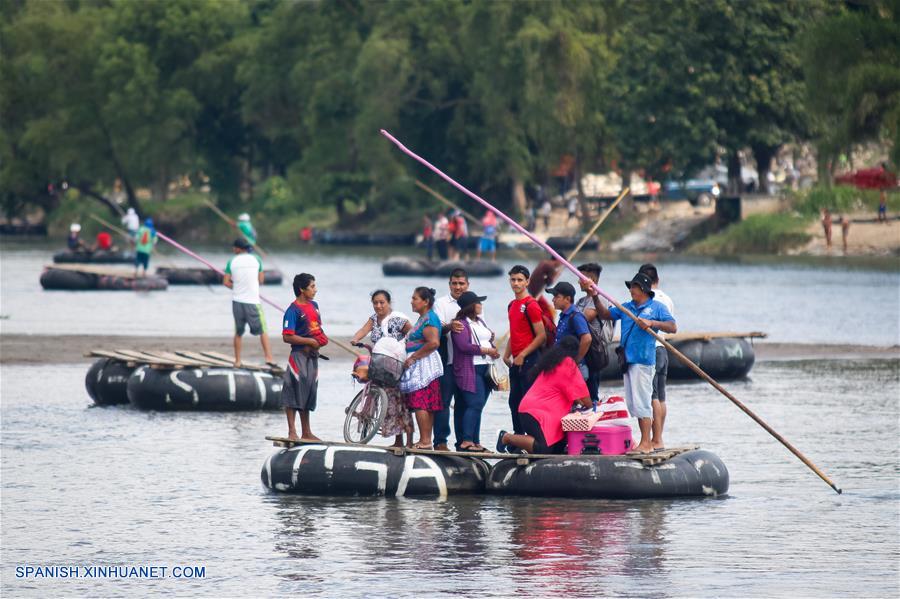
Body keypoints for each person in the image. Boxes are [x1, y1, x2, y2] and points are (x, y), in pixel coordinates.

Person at [593, 272, 676, 454]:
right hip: (628, 361)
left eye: (634, 287)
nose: (631, 290)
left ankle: (646, 443)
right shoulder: (627, 307)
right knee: (634, 404)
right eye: (631, 287)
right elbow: (605, 314)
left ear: (644, 289)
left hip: (643, 360)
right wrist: (595, 297)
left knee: (643, 401)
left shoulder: (656, 307)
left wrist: (652, 323)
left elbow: (672, 326)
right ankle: (644, 441)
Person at [496, 336, 591, 454]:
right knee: (543, 449)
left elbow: (573, 395)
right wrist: (593, 408)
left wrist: (582, 403)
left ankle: (519, 447)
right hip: (536, 413)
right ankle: (506, 437)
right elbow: (585, 398)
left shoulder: (554, 363)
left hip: (532, 411)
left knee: (557, 448)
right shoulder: (568, 363)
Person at [350, 289, 414, 447]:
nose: (378, 306)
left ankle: (410, 442)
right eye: (375, 303)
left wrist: (402, 347)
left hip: (395, 364)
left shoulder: (398, 319)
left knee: (400, 403)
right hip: (379, 363)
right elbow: (363, 331)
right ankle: (398, 441)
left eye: (382, 303)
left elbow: (413, 333)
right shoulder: (373, 319)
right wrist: (355, 339)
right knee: (389, 403)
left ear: (389, 303)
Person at [280, 273, 328, 441]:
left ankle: (306, 432)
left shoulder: (314, 306)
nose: (315, 290)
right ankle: (292, 431)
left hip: (312, 357)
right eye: (312, 286)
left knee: (308, 391)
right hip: (299, 356)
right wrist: (309, 341)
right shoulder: (292, 311)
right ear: (302, 289)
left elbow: (317, 328)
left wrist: (320, 340)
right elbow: (287, 336)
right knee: (293, 390)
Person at [451, 291, 500, 451]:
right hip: (469, 368)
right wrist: (487, 350)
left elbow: (485, 340)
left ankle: (475, 440)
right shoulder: (460, 323)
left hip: (484, 367)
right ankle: (466, 441)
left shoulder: (479, 321)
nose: (481, 305)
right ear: (471, 305)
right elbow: (464, 346)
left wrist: (492, 348)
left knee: (479, 405)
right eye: (478, 302)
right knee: (474, 403)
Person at [504, 265, 547, 434]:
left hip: (530, 359)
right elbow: (515, 332)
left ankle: (533, 437)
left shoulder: (531, 305)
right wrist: (507, 354)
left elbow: (541, 336)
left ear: (527, 282)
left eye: (520, 280)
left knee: (528, 402)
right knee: (514, 401)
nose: (516, 283)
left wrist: (522, 354)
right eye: (513, 280)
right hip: (516, 360)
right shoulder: (512, 305)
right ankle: (518, 437)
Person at [400, 287, 444, 449]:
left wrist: (413, 357)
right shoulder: (423, 318)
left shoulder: (429, 319)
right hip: (420, 361)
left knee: (421, 402)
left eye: (415, 298)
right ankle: (425, 440)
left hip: (424, 363)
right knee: (424, 402)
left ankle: (425, 440)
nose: (412, 301)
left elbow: (433, 343)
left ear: (425, 302)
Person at [638, 263, 674, 451]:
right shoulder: (667, 299)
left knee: (651, 396)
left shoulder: (646, 300)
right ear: (657, 280)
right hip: (664, 348)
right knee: (661, 397)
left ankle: (656, 439)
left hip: (651, 350)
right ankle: (659, 438)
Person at [224, 238, 275, 368]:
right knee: (262, 330)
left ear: (238, 249)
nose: (233, 249)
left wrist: (237, 286)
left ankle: (237, 361)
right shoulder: (256, 259)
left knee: (238, 332)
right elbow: (261, 280)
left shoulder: (231, 261)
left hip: (237, 302)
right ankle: (269, 358)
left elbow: (226, 282)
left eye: (234, 247)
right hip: (253, 301)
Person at [433, 268, 469, 451]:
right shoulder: (441, 303)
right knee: (443, 403)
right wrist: (449, 326)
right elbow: (436, 329)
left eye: (461, 283)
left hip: (468, 365)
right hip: (447, 362)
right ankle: (440, 441)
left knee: (464, 404)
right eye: (454, 283)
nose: (458, 287)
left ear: (467, 285)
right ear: (449, 285)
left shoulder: (473, 303)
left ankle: (463, 442)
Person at [576, 262, 614, 403]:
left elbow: (584, 318)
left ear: (593, 280)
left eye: (582, 278)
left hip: (593, 350)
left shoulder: (599, 298)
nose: (578, 281)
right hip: (581, 348)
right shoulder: (580, 300)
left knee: (591, 388)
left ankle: (593, 410)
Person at [547, 282, 592, 381]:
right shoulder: (564, 316)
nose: (553, 300)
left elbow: (587, 338)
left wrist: (576, 360)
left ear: (567, 299)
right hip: (565, 367)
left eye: (556, 296)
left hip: (575, 369)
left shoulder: (575, 316)